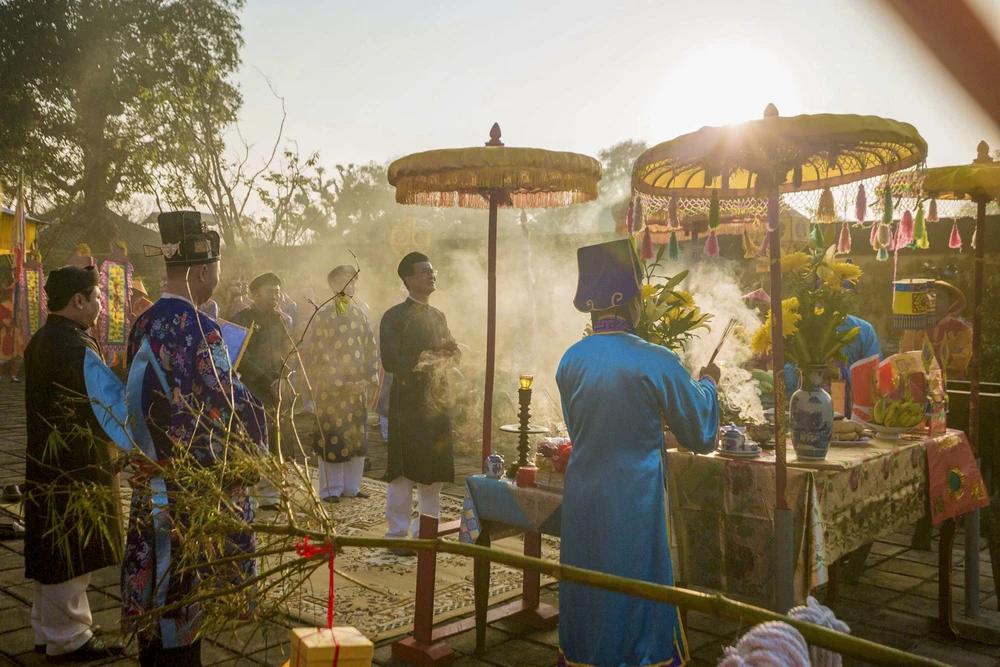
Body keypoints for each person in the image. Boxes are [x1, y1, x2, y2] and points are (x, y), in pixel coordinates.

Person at [555, 239, 720, 667]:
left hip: (584, 493)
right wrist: (709, 383)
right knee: (635, 583)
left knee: (588, 584)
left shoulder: (569, 360)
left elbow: (584, 429)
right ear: (632, 302)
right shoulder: (654, 359)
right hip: (634, 496)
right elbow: (699, 432)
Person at [123, 211, 267, 667]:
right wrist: (261, 441)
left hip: (154, 470)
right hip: (192, 482)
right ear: (203, 271)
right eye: (217, 273)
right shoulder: (201, 329)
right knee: (185, 585)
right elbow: (229, 400)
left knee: (158, 591)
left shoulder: (142, 324)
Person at [22, 266, 126, 662]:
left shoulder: (44, 340)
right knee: (71, 552)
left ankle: (48, 632)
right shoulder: (75, 347)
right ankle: (69, 639)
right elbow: (103, 405)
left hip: (49, 464)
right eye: (98, 297)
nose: (101, 306)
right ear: (78, 301)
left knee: (52, 552)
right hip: (75, 465)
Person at [380, 252, 459, 555]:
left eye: (432, 270)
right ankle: (397, 535)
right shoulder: (394, 316)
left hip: (437, 401)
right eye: (424, 271)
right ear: (408, 279)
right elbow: (390, 361)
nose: (431, 275)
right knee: (403, 471)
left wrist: (452, 352)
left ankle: (428, 532)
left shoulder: (438, 315)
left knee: (433, 471)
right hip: (407, 401)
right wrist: (424, 358)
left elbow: (449, 350)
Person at [303, 265, 379, 504]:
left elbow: (371, 350)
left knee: (357, 439)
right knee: (333, 437)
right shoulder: (323, 316)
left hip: (357, 391)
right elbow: (316, 356)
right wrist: (341, 383)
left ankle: (352, 487)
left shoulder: (360, 315)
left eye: (354, 282)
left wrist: (367, 380)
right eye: (347, 282)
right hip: (332, 392)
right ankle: (330, 490)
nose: (352, 286)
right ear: (334, 286)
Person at [230, 271, 294, 509]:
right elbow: (240, 356)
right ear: (255, 294)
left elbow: (289, 353)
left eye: (278, 291)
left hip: (278, 388)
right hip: (251, 388)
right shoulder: (241, 319)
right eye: (270, 291)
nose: (276, 296)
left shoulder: (284, 320)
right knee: (251, 439)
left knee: (278, 440)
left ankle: (271, 495)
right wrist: (267, 379)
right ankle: (247, 495)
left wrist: (284, 378)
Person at [898, 280, 972, 379]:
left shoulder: (963, 330)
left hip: (952, 386)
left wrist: (923, 360)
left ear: (950, 301)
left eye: (941, 297)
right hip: (918, 386)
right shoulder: (912, 328)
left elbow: (961, 362)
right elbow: (903, 358)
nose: (935, 301)